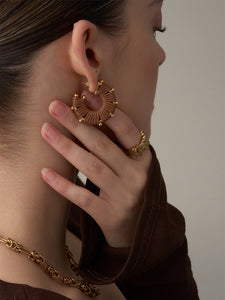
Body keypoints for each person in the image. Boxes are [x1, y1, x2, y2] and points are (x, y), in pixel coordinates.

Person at [0, 0, 200, 299]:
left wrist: (139, 245)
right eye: (155, 28)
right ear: (89, 54)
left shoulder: (90, 223)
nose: (161, 56)